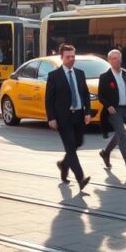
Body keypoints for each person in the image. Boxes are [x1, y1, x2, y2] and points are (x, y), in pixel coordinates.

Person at [45, 43, 91, 190]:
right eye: (68, 57)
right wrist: (51, 117)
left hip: (78, 115)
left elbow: (85, 94)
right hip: (63, 118)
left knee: (78, 142)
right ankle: (80, 178)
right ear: (62, 58)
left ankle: (63, 164)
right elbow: (49, 99)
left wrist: (88, 112)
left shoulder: (80, 73)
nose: (71, 59)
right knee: (70, 148)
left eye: (73, 56)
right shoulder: (54, 76)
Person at [97, 49, 126, 177]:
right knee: (122, 136)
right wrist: (108, 105)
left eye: (118, 58)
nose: (117, 60)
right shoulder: (105, 77)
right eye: (114, 58)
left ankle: (105, 152)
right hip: (114, 111)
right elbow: (101, 95)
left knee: (119, 134)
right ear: (109, 61)